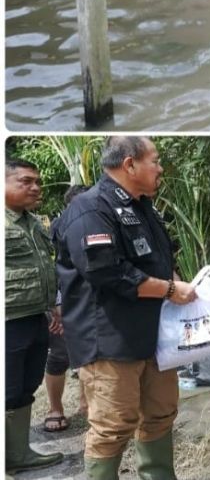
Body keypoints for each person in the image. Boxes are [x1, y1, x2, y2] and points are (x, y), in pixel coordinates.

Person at [53, 136, 197, 480]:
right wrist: (172, 289)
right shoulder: (89, 210)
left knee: (161, 413)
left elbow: (161, 261)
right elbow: (108, 272)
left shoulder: (143, 206)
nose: (160, 168)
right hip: (109, 340)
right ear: (129, 164)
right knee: (114, 424)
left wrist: (180, 288)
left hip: (153, 336)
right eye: (155, 160)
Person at [5, 158, 64, 475]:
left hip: (35, 316)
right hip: (8, 320)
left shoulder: (34, 223)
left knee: (25, 385)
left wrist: (52, 305)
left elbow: (43, 268)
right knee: (8, 387)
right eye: (25, 181)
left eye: (37, 181)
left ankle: (17, 454)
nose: (35, 187)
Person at [43, 184, 91, 434]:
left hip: (90, 303)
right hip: (63, 302)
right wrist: (56, 305)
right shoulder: (57, 228)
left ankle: (87, 403)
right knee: (59, 356)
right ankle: (55, 408)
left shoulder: (101, 220)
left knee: (89, 354)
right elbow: (53, 269)